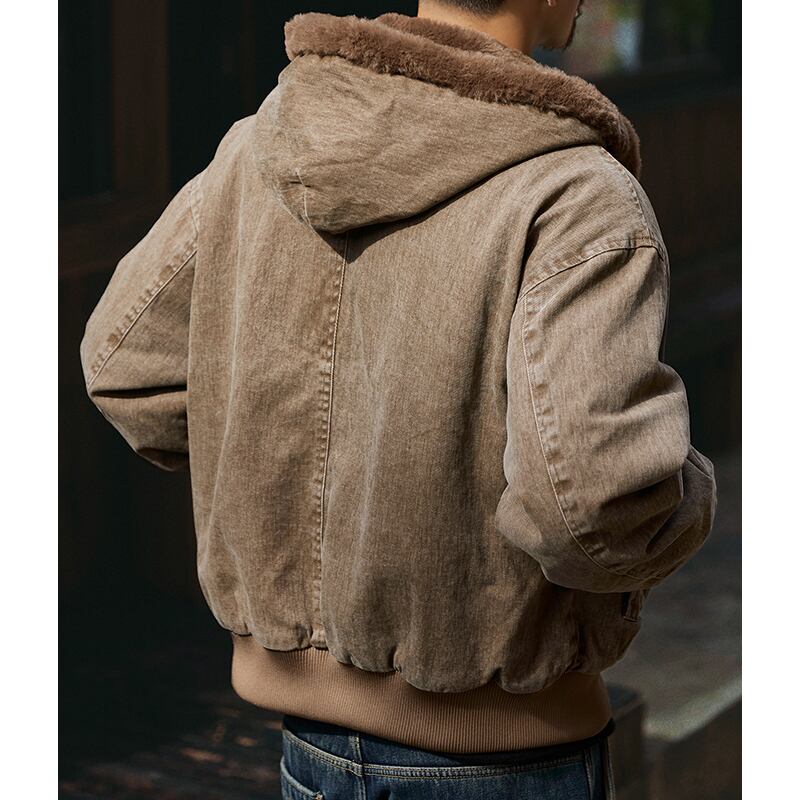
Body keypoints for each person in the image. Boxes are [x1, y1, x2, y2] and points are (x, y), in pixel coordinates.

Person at [79, 1, 718, 797]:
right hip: (506, 759)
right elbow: (593, 505)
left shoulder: (258, 148)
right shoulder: (577, 195)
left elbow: (125, 368)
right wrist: (691, 494)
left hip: (307, 751)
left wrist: (261, 454)